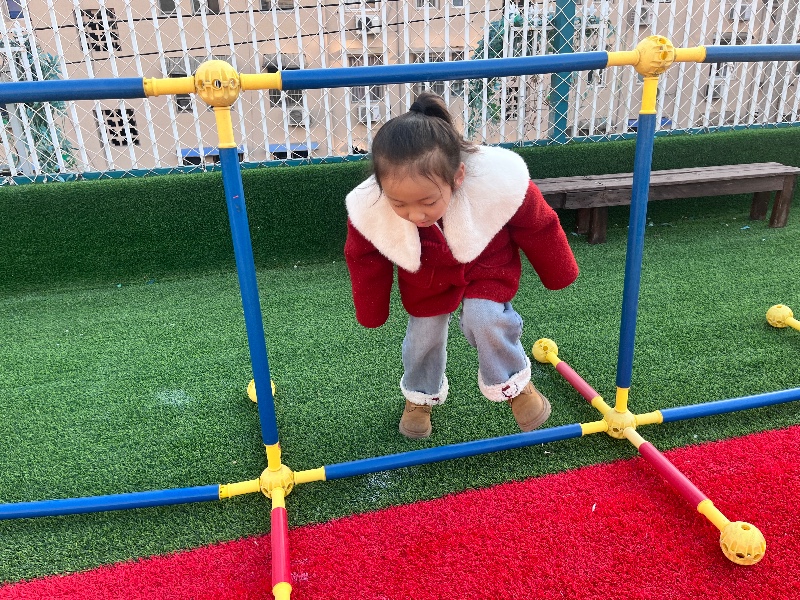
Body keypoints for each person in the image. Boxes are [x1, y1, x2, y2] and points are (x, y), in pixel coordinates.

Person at [344, 92, 579, 439]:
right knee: (423, 336)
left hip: (486, 263)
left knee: (485, 317)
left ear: (458, 177)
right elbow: (364, 256)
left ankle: (514, 385)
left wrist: (558, 270)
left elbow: (536, 222)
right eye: (400, 204)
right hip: (427, 277)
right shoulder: (371, 207)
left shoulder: (496, 181)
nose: (415, 214)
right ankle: (420, 396)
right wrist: (371, 309)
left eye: (427, 201)